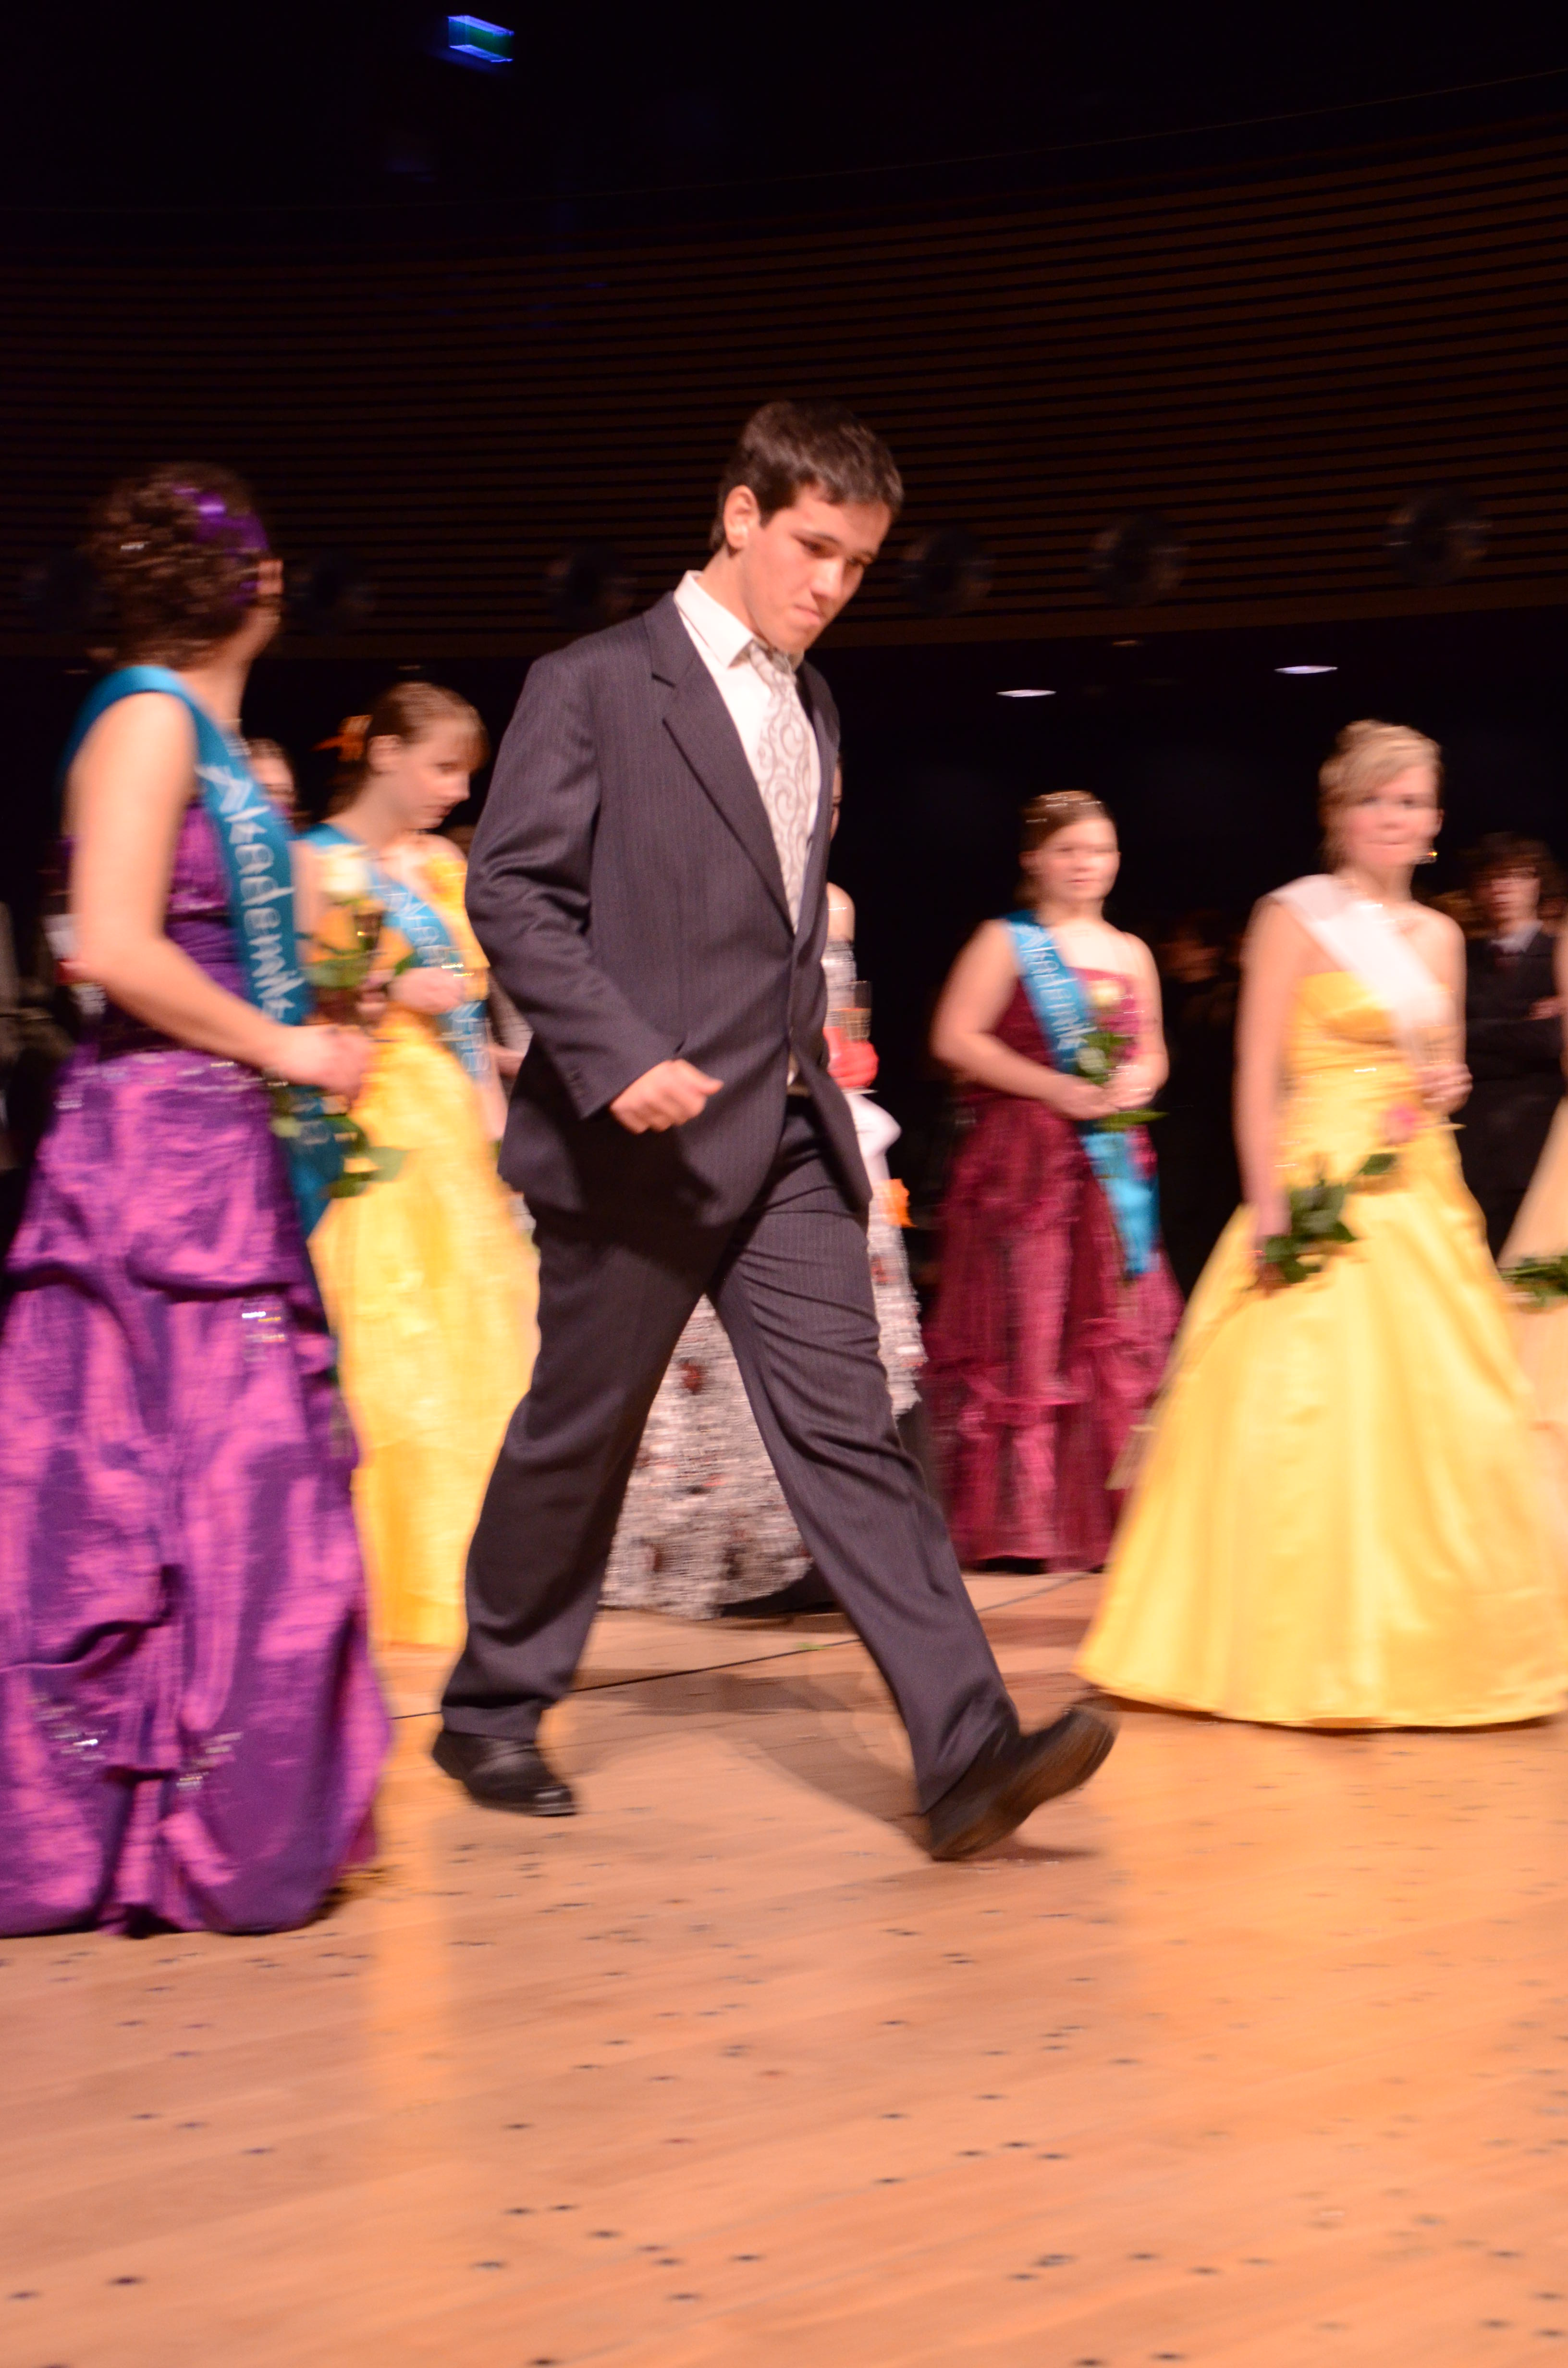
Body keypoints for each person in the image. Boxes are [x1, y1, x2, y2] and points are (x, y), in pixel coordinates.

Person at [436, 400, 1115, 1857]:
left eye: (857, 563)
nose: (832, 584)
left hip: (787, 1137)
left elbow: (779, 934)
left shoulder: (813, 706)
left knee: (853, 1438)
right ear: (740, 514)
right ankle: (490, 1706)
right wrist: (616, 1052)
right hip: (633, 1141)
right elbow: (512, 895)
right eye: (814, 546)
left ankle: (966, 1752)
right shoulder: (592, 683)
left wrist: (821, 1094)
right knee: (581, 1431)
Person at [0, 463, 388, 1935]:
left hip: (211, 1153)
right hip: (151, 1165)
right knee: (182, 1494)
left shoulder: (204, 737)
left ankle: (203, 1822)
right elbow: (108, 944)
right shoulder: (151, 720)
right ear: (260, 585)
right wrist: (292, 1046)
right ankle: (145, 1829)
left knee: (239, 1495)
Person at [1079, 720, 1568, 1728]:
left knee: (1440, 1401)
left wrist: (1448, 1081)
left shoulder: (1439, 937)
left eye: (1411, 801)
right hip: (1314, 1182)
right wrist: (1268, 1207)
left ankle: (1434, 1637)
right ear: (1339, 812)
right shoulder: (1291, 917)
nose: (1394, 817)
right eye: (1375, 799)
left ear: (1434, 822)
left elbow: (1439, 1067)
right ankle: (1279, 1643)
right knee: (1297, 1402)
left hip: (1418, 1186)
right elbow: (1258, 1074)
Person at [603, 844, 927, 1619]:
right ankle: (724, 1544)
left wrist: (845, 1050)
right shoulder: (699, 889)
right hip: (716, 1126)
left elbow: (841, 1015)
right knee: (711, 1358)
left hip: (823, 1128)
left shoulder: (835, 902)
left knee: (837, 1353)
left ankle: (827, 1555)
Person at [301, 686, 539, 1652]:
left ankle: (481, 1566)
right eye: (442, 767)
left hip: (451, 1112)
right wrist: (391, 986)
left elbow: (471, 1013)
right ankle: (384, 1568)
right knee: (391, 1337)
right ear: (385, 753)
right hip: (377, 1115)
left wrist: (497, 1111)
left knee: (475, 1334)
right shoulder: (322, 862)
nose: (456, 789)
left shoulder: (440, 864)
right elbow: (308, 1006)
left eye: (464, 773)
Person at [922, 791, 1181, 1572]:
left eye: (1098, 850)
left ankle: (1100, 1518)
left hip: (1108, 1163)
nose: (1084, 864)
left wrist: (1140, 1078)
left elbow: (1153, 1046)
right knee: (1025, 1330)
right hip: (1025, 1164)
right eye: (1068, 850)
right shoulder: (1006, 941)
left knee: (1107, 1333)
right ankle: (1017, 1524)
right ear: (1033, 858)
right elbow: (955, 1038)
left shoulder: (1130, 950)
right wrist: (1053, 1087)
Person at [1458, 833, 1565, 1259]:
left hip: (1541, 1131)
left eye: (1515, 876)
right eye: (1490, 879)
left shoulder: (1559, 953)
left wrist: (1476, 1030)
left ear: (1538, 883)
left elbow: (1552, 1040)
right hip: (1473, 1135)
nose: (1502, 888)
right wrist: (1521, 1027)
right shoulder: (1460, 956)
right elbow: (1448, 1039)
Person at [1155, 909, 1242, 1297]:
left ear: (1209, 950)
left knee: (1210, 1216)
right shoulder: (1163, 994)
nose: (1172, 948)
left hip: (1216, 1129)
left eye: (1184, 941)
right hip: (1174, 1126)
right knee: (1175, 1218)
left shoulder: (1232, 996)